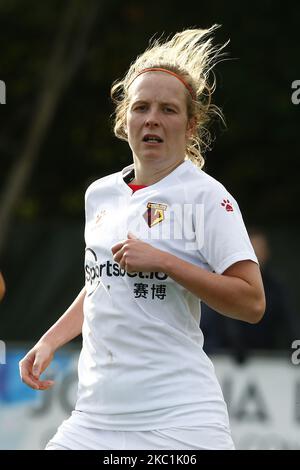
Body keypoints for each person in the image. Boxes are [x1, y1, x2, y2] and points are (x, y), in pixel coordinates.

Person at [19, 25, 265, 450]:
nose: (152, 118)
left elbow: (252, 302)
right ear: (125, 120)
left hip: (180, 419)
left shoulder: (207, 196)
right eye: (141, 107)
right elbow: (102, 281)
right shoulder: (100, 194)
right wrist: (51, 339)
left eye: (168, 110)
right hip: (95, 419)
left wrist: (166, 262)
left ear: (190, 127)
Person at [201, 228, 295, 361]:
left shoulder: (276, 287)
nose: (257, 255)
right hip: (228, 357)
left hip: (265, 356)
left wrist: (294, 345)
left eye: (260, 250)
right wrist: (235, 344)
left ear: (267, 252)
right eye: (253, 249)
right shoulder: (224, 280)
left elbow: (288, 320)